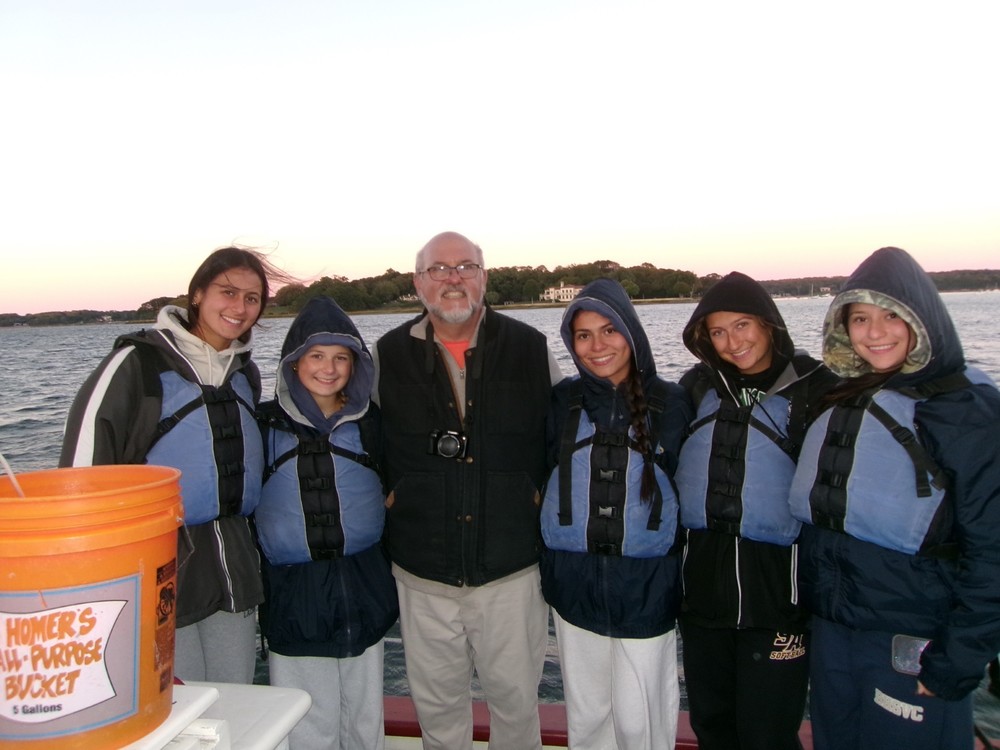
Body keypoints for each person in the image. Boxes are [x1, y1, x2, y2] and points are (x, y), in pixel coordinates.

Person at [788, 247, 1000, 750]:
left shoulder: (966, 410)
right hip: (835, 631)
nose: (875, 331)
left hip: (914, 639)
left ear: (923, 320)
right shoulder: (840, 394)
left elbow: (993, 550)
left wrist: (957, 661)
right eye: (860, 318)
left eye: (891, 315)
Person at [60, 246, 291, 683]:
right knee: (176, 704)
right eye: (227, 292)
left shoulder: (244, 373)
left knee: (235, 696)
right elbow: (80, 474)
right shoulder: (136, 365)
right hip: (160, 568)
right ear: (198, 294)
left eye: (252, 298)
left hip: (233, 565)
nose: (239, 307)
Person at [372, 231, 561, 750]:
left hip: (511, 568)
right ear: (418, 282)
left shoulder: (530, 347)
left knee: (517, 704)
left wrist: (535, 496)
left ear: (484, 276)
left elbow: (561, 438)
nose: (453, 279)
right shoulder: (386, 354)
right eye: (439, 269)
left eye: (465, 267)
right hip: (421, 569)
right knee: (437, 707)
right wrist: (394, 494)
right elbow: (362, 442)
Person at [673, 271, 837, 750]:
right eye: (718, 332)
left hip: (780, 595)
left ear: (769, 325)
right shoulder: (696, 386)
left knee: (768, 733)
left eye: (743, 326)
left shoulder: (817, 387)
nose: (732, 342)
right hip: (703, 591)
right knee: (713, 726)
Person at [539, 278, 692, 750]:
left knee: (641, 717)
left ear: (632, 333)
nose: (597, 345)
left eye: (609, 331)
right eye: (583, 335)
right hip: (573, 585)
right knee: (587, 718)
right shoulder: (561, 402)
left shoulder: (673, 403)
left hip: (648, 588)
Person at [255, 295, 398, 750]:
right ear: (293, 363)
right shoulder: (262, 425)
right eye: (316, 356)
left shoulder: (373, 424)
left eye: (342, 358)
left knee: (364, 716)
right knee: (305, 719)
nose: (329, 368)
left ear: (357, 366)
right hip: (292, 595)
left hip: (364, 589)